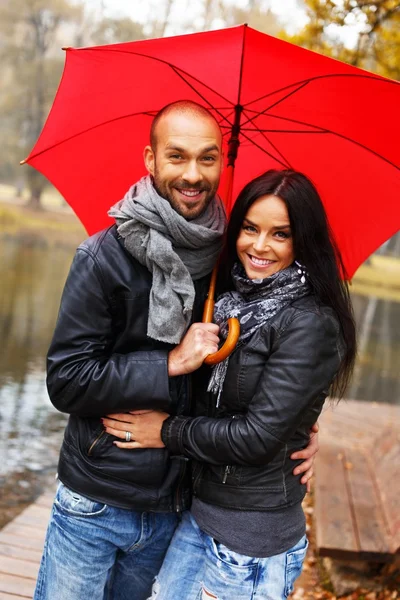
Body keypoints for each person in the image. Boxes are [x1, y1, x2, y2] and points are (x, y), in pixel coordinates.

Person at [34, 103, 319, 600]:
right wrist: (169, 363)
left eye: (207, 159)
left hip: (179, 504)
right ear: (150, 159)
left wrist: (301, 428)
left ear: (221, 165)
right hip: (98, 498)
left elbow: (265, 368)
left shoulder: (234, 260)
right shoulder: (103, 258)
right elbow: (66, 381)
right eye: (177, 157)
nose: (192, 174)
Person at [103, 169, 357, 600]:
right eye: (250, 228)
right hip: (202, 513)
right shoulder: (228, 302)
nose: (259, 246)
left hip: (250, 537)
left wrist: (164, 431)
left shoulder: (310, 323)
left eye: (280, 234)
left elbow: (257, 438)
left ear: (303, 241)